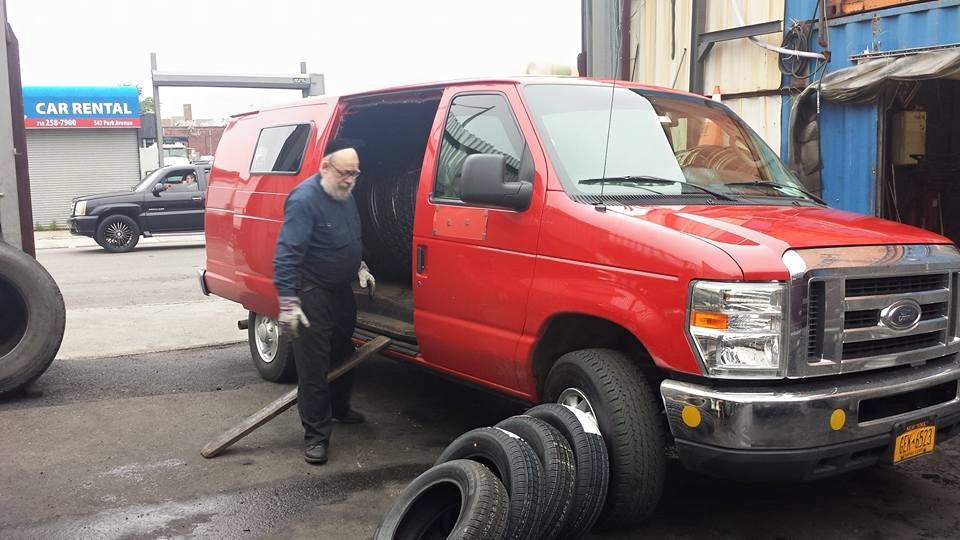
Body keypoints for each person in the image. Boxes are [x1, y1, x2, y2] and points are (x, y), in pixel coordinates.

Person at [272, 138, 375, 465]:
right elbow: (286, 256)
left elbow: (350, 236)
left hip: (339, 289)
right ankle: (316, 436)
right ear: (325, 167)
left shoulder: (344, 193)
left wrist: (360, 266)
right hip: (311, 291)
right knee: (314, 366)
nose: (350, 180)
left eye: (355, 174)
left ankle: (340, 409)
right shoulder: (304, 200)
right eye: (345, 173)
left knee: (344, 350)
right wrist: (289, 303)